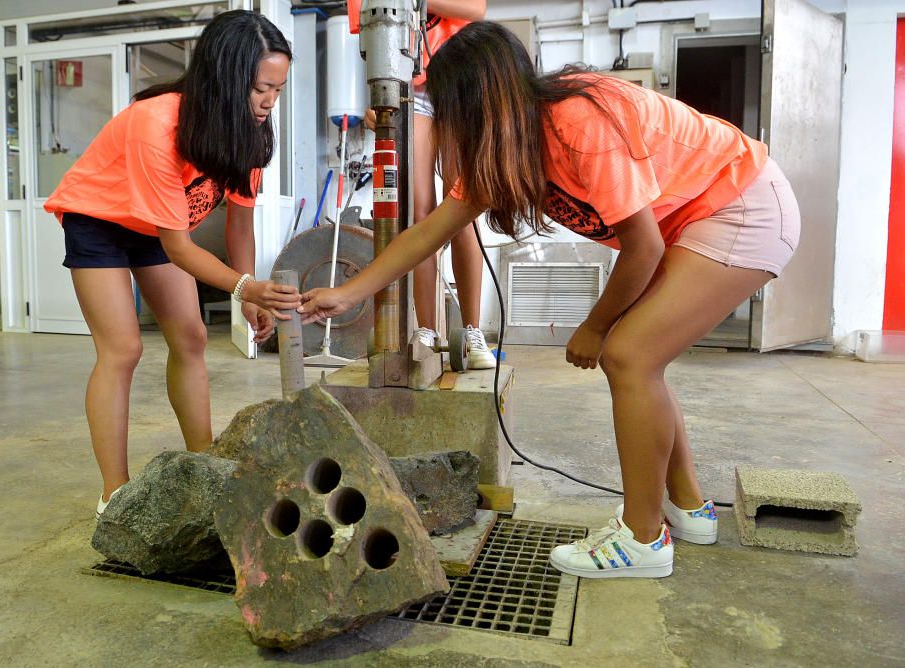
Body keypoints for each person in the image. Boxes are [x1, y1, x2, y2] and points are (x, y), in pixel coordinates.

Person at [300, 22, 801, 579]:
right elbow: (428, 232)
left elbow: (643, 247)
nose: (443, 130)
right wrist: (345, 293)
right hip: (698, 218)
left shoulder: (579, 123)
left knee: (629, 354)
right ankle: (688, 508)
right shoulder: (507, 145)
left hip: (740, 204)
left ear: (473, 104)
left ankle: (642, 540)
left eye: (444, 113)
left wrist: (594, 326)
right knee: (644, 359)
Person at [44, 10, 301, 518]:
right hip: (99, 218)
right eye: (259, 89)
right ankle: (114, 494)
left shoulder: (249, 132)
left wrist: (244, 297)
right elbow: (181, 248)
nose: (270, 102)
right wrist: (246, 288)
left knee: (192, 336)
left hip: (159, 225)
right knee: (123, 348)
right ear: (225, 78)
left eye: (278, 89)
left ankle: (204, 461)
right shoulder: (157, 123)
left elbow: (239, 225)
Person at [350, 0, 495, 368]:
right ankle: (427, 330)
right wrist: (375, 99)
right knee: (420, 213)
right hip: (408, 90)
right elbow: (371, 41)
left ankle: (472, 330)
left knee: (462, 209)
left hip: (460, 82)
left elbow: (476, 8)